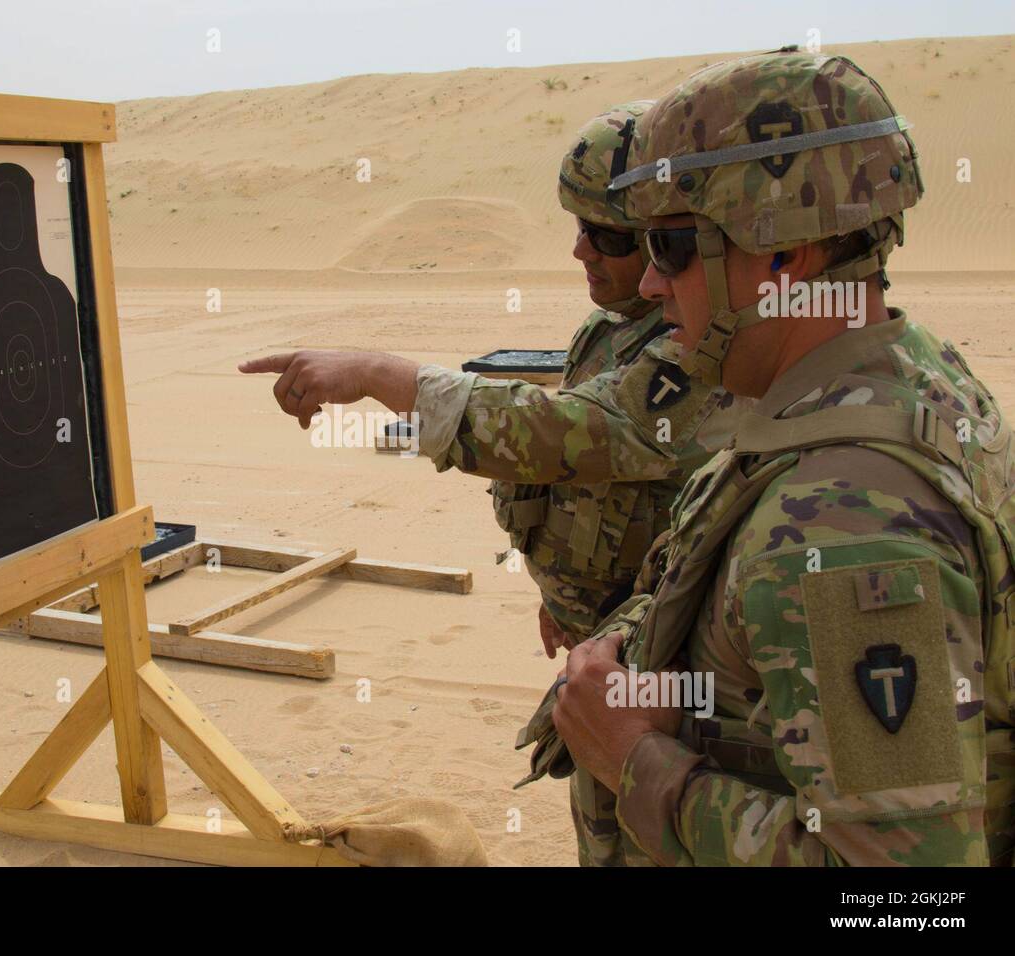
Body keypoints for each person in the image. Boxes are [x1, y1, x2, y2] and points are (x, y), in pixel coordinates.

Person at [239, 103, 748, 865]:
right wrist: (564, 592)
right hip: (608, 650)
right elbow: (591, 480)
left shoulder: (697, 346)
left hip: (669, 677)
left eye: (607, 235)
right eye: (577, 227)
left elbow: (577, 432)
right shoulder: (613, 327)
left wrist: (382, 375)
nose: (581, 251)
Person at [549, 49, 1014, 865]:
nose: (652, 288)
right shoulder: (908, 379)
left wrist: (636, 763)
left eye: (671, 247)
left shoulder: (844, 526)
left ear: (783, 261)